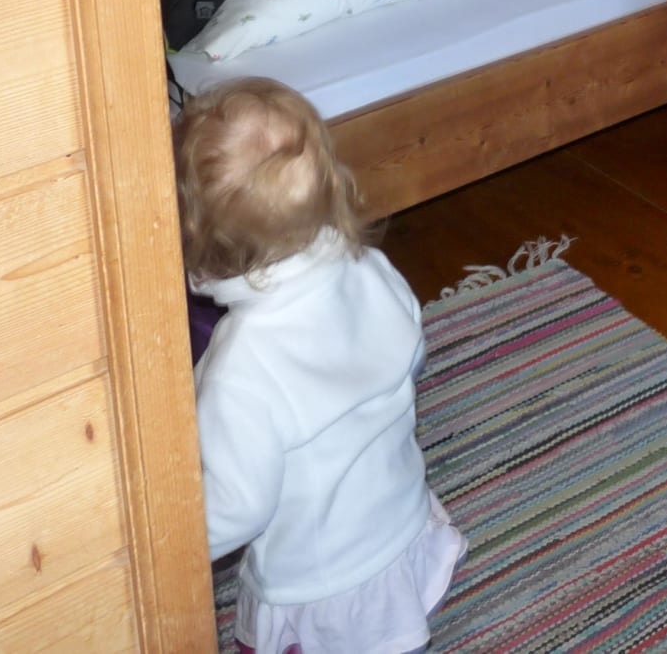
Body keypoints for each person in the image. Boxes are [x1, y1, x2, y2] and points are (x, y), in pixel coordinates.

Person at [176, 77, 464, 654]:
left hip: (317, 585)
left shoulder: (240, 367)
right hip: (399, 521)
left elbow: (239, 506)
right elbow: (411, 351)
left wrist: (167, 550)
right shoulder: (370, 268)